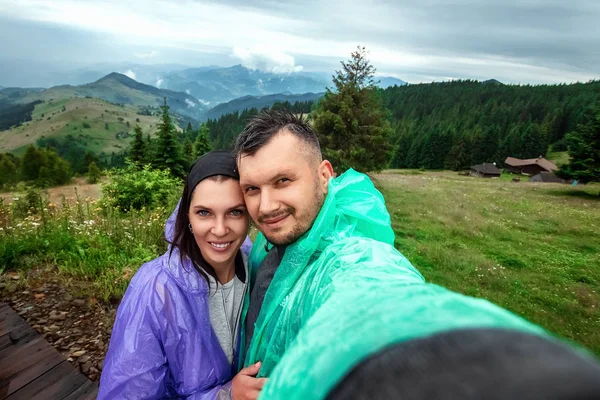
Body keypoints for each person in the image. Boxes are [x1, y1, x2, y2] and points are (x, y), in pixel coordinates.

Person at [234, 110, 600, 399]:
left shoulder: (349, 255)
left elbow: (376, 297)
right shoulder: (269, 242)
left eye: (283, 181)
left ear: (324, 175)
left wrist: (445, 366)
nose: (266, 207)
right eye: (252, 188)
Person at [98, 151, 266, 400]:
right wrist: (226, 395)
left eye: (235, 212)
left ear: (249, 215)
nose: (220, 230)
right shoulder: (155, 289)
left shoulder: (256, 267)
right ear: (186, 214)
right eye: (204, 213)